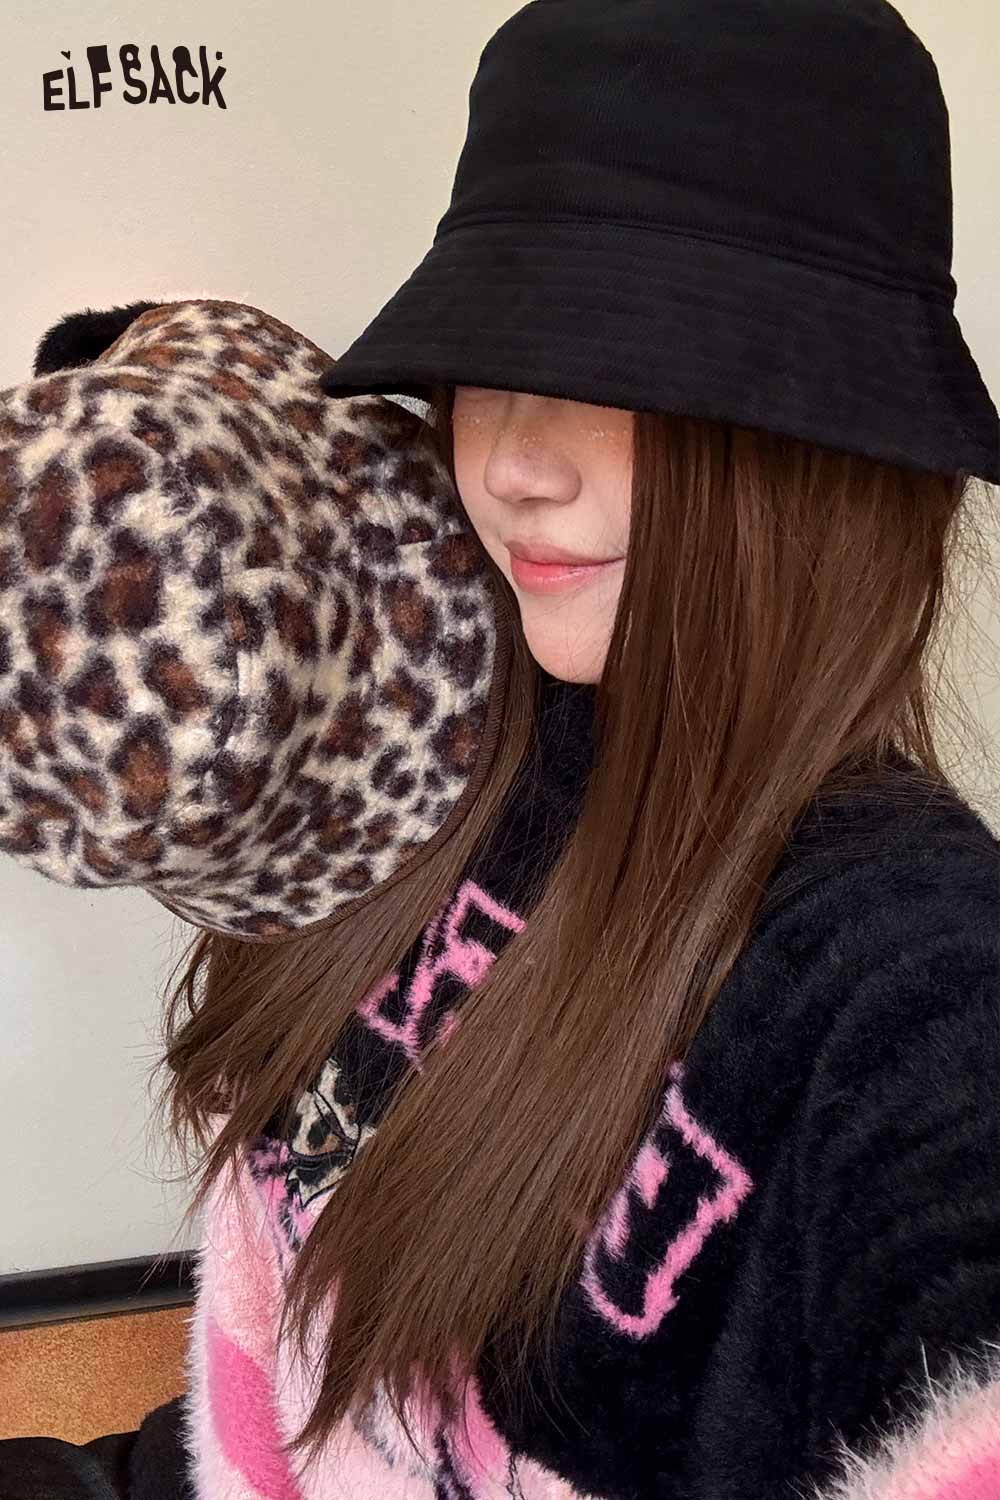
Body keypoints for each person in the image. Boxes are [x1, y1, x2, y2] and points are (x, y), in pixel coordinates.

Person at [2, 1, 1000, 1497]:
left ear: (832, 436)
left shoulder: (907, 978)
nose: (517, 461)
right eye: (490, 357)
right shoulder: (449, 726)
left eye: (624, 371)